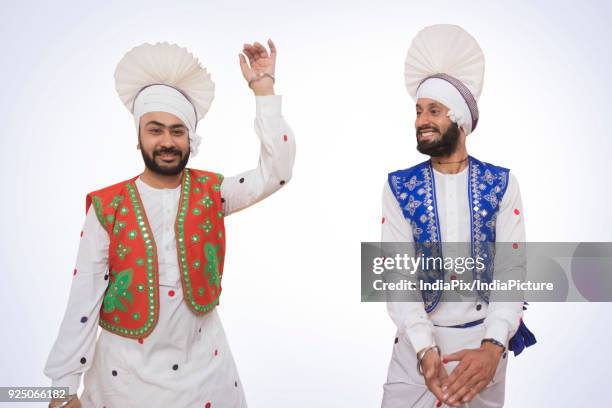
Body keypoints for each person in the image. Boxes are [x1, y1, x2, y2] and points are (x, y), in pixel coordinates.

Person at [44, 39, 295, 408]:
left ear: (190, 138)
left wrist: (264, 90)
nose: (167, 141)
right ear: (139, 137)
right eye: (155, 129)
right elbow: (83, 299)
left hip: (206, 377)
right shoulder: (107, 207)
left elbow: (276, 174)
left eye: (178, 131)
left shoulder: (215, 192)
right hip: (124, 380)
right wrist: (62, 389)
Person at [381, 25, 535, 408]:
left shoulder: (501, 184)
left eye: (434, 110)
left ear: (461, 120)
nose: (421, 120)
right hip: (416, 353)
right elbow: (397, 277)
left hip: (482, 356)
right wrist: (423, 350)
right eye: (418, 111)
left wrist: (493, 348)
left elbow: (512, 273)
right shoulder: (398, 187)